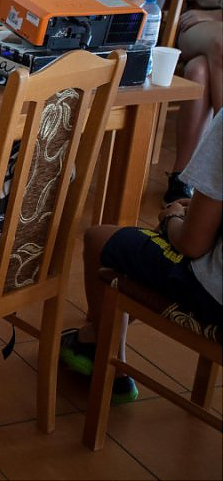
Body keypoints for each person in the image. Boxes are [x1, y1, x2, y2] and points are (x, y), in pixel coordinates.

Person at [61, 110, 223, 404]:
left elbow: (192, 244)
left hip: (215, 299)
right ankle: (91, 337)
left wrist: (172, 217)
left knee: (98, 239)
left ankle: (109, 364)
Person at [164, 0, 223, 204]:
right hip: (202, 22)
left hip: (217, 21)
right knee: (221, 43)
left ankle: (182, 178)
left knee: (198, 71)